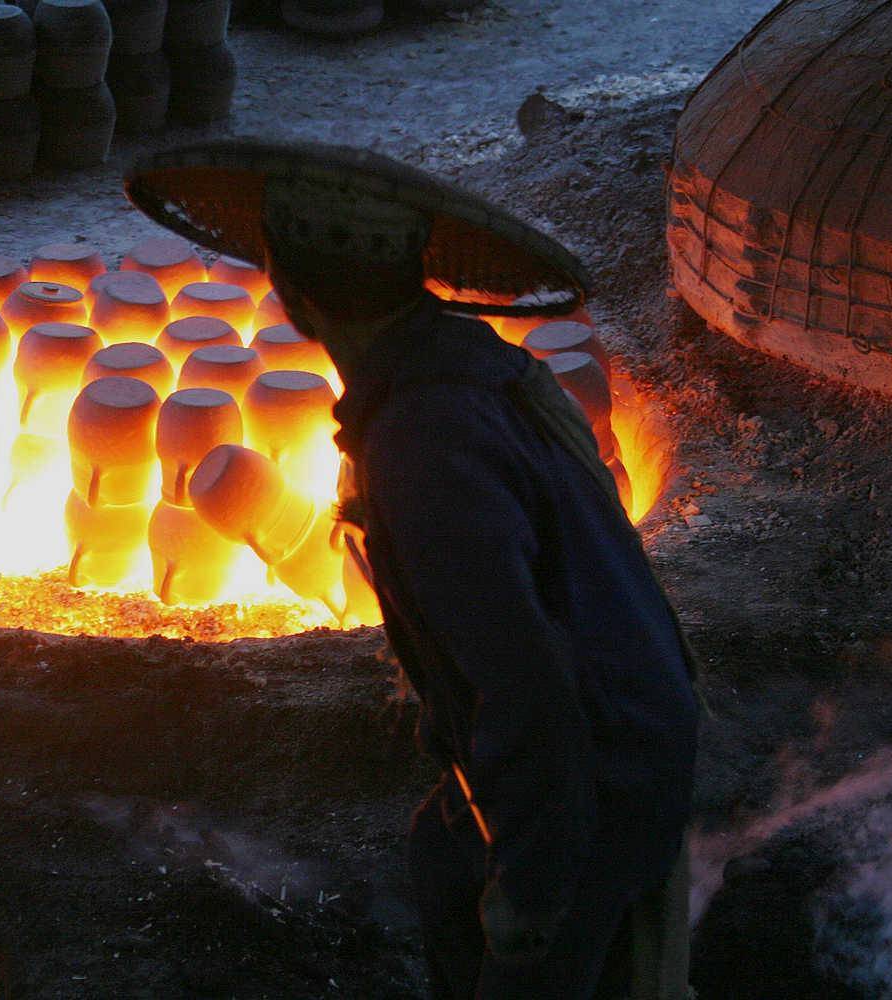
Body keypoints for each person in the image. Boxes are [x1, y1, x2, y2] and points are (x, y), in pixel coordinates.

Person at [127, 140, 700, 1000]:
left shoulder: (424, 445)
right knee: (441, 853)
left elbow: (525, 685)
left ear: (292, 290)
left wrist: (530, 899)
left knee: (538, 960)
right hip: (636, 719)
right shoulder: (475, 366)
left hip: (595, 769)